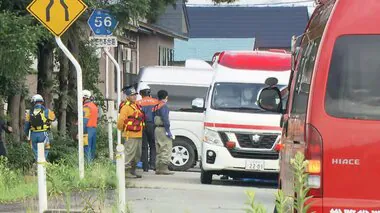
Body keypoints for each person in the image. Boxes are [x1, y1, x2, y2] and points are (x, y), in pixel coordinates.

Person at [117, 86, 145, 178]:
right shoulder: (126, 107)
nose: (134, 97)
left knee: (137, 155)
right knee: (129, 153)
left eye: (135, 95)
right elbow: (121, 121)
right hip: (130, 134)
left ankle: (133, 170)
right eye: (132, 95)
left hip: (138, 134)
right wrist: (122, 129)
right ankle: (125, 171)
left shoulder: (136, 106)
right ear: (127, 96)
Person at [24, 94, 56, 160]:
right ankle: (43, 165)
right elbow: (54, 118)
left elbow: (26, 126)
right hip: (43, 134)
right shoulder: (47, 111)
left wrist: (26, 135)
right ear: (42, 102)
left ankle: (38, 164)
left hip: (33, 135)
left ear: (33, 102)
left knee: (35, 151)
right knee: (45, 149)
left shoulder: (29, 112)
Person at [136, 83, 159, 172]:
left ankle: (145, 167)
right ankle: (152, 164)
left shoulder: (138, 103)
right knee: (153, 145)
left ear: (141, 93)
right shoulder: (155, 102)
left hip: (142, 125)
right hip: (153, 125)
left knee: (144, 146)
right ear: (149, 92)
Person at [152, 90, 174, 175]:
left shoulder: (156, 106)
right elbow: (165, 119)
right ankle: (163, 168)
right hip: (163, 129)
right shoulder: (164, 106)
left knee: (158, 148)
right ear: (166, 97)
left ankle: (158, 167)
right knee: (166, 147)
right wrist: (168, 131)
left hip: (156, 129)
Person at [83, 90, 99, 163]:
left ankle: (87, 165)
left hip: (86, 129)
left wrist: (80, 132)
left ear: (84, 97)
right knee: (92, 148)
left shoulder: (86, 107)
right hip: (93, 129)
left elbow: (84, 120)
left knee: (87, 147)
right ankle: (91, 164)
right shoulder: (94, 106)